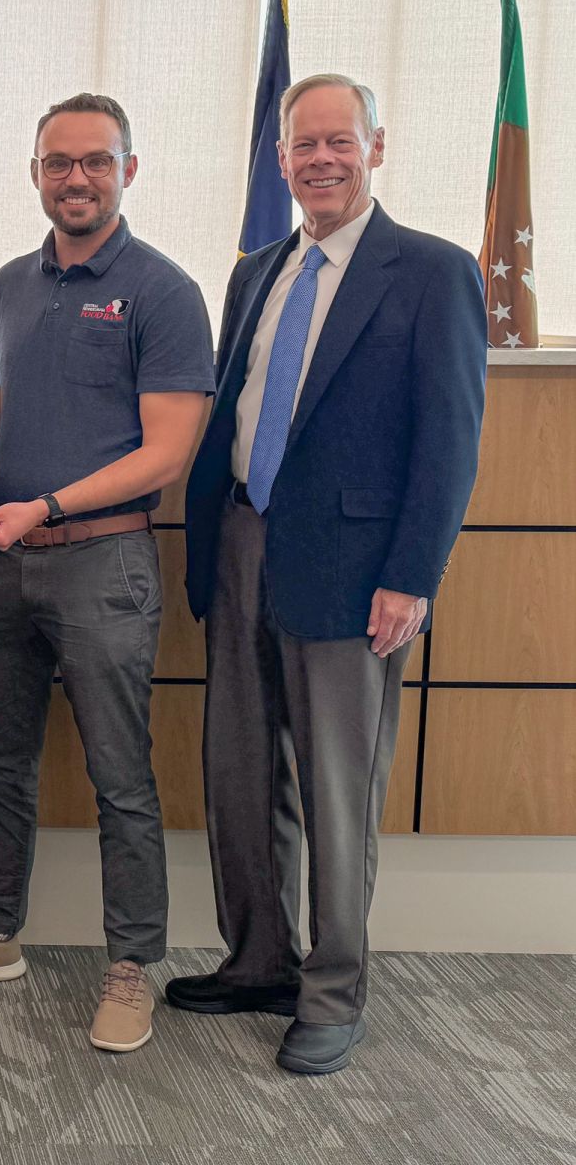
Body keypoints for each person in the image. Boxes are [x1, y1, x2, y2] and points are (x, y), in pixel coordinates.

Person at [168, 75, 486, 1074]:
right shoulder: (258, 269)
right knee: (240, 773)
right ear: (281, 161)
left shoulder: (432, 272)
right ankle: (260, 957)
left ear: (375, 148)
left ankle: (334, 991)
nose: (320, 159)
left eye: (338, 141)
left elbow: (450, 441)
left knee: (339, 791)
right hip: (243, 545)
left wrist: (413, 573)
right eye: (302, 145)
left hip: (356, 576)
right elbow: (240, 405)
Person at [0, 94, 214, 1055]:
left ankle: (132, 968)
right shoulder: (8, 284)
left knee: (121, 774)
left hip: (104, 564)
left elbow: (167, 451)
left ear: (129, 169)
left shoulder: (163, 292)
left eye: (95, 162)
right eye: (56, 163)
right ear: (34, 172)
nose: (74, 179)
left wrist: (49, 506)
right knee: (0, 761)